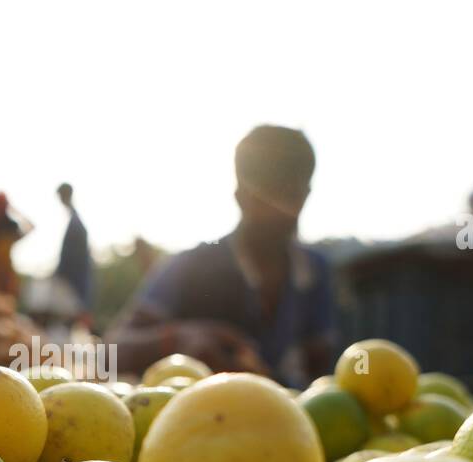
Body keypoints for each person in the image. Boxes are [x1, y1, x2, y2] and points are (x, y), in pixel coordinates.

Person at [107, 125, 335, 384]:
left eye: (290, 196)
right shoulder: (191, 266)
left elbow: (319, 371)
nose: (278, 211)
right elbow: (110, 351)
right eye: (266, 197)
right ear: (240, 195)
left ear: (305, 195)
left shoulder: (315, 272)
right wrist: (177, 339)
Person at [53, 183, 94, 321]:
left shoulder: (75, 224)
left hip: (75, 287)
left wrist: (58, 275)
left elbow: (73, 260)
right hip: (75, 286)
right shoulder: (75, 221)